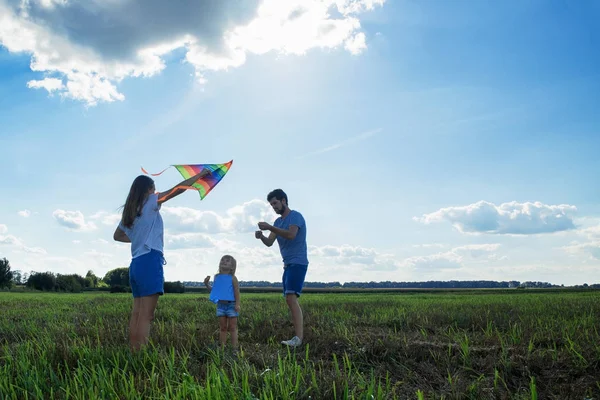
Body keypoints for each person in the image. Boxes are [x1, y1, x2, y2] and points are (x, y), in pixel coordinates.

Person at [113, 169, 210, 351]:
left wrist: (137, 237)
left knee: (137, 313)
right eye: (154, 189)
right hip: (149, 260)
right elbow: (178, 189)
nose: (156, 193)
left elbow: (117, 236)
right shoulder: (150, 201)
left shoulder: (130, 211)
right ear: (149, 190)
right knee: (146, 316)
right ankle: (139, 355)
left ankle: (133, 351)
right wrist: (200, 175)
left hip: (136, 264)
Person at [255, 189, 308, 348]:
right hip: (287, 264)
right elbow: (270, 242)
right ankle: (297, 337)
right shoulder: (278, 223)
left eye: (275, 203)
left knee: (291, 299)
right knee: (289, 299)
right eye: (271, 204)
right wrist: (261, 237)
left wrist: (270, 227)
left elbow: (291, 235)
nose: (273, 207)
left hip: (298, 262)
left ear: (284, 200)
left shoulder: (295, 216)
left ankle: (298, 338)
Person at [203, 255, 241, 349]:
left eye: (227, 261)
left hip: (231, 305)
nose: (224, 261)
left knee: (232, 328)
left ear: (232, 266)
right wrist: (206, 284)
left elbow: (237, 292)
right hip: (220, 306)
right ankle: (222, 347)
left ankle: (234, 348)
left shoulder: (233, 278)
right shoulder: (216, 277)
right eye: (222, 260)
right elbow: (214, 291)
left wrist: (237, 304)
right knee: (223, 328)